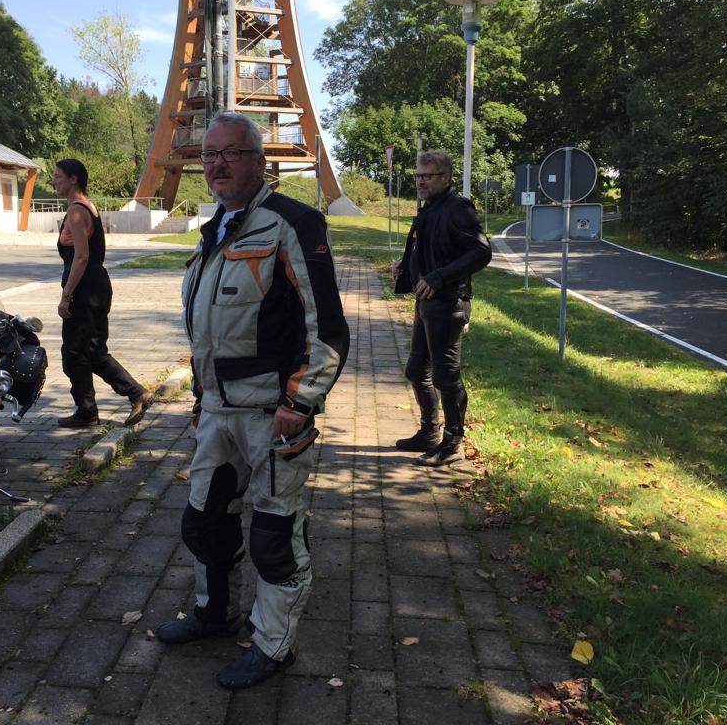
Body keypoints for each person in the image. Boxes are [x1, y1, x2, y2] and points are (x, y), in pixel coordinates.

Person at [154, 112, 349, 689]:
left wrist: (301, 402)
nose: (217, 164)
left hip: (273, 414)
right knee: (204, 521)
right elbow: (207, 332)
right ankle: (214, 615)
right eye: (209, 154)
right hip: (218, 410)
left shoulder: (294, 222)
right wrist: (200, 399)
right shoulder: (214, 228)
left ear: (260, 161)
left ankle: (273, 645)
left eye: (231, 153)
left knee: (273, 536)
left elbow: (326, 327)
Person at [391, 150, 492, 465]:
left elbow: (481, 251)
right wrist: (406, 266)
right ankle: (429, 433)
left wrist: (439, 277)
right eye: (417, 175)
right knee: (416, 370)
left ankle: (452, 444)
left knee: (445, 377)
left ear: (446, 177)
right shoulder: (431, 208)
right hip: (426, 303)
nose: (420, 181)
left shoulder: (457, 207)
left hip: (448, 304)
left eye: (427, 176)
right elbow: (430, 247)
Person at [53, 158, 154, 428]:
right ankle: (99, 407)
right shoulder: (87, 206)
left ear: (73, 178)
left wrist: (66, 295)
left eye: (58, 176)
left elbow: (82, 257)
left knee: (75, 352)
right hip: (96, 286)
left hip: (85, 290)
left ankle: (99, 407)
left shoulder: (77, 210)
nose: (54, 181)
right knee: (93, 350)